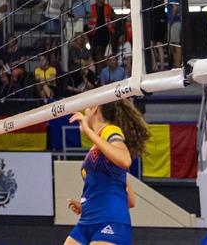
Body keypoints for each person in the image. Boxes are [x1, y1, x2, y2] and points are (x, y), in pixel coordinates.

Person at [64, 100, 150, 245]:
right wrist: (87, 205)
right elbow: (130, 200)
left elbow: (125, 160)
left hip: (109, 221)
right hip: (87, 220)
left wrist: (88, 131)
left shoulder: (110, 130)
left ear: (94, 107)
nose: (84, 112)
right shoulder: (100, 144)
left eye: (86, 108)